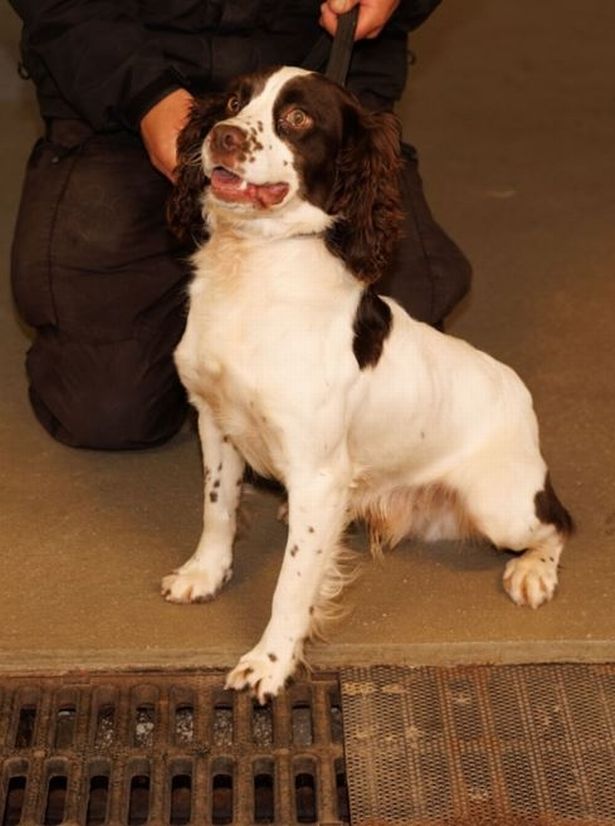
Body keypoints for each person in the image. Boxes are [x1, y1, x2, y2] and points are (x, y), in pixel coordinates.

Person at [9, 0, 471, 450]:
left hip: (324, 89)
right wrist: (144, 96)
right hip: (128, 94)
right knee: (108, 406)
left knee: (391, 401)